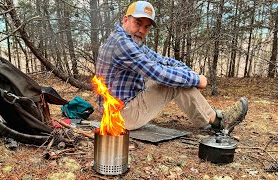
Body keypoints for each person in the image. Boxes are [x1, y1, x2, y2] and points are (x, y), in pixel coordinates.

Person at [95, 1, 248, 132]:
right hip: (119, 117)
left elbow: (161, 60)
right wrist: (196, 79)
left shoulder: (129, 40)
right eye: (138, 23)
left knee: (177, 77)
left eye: (146, 26)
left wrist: (188, 72)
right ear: (125, 20)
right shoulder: (123, 44)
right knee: (172, 82)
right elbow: (159, 72)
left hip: (118, 110)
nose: (142, 30)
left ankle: (209, 119)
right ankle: (217, 121)